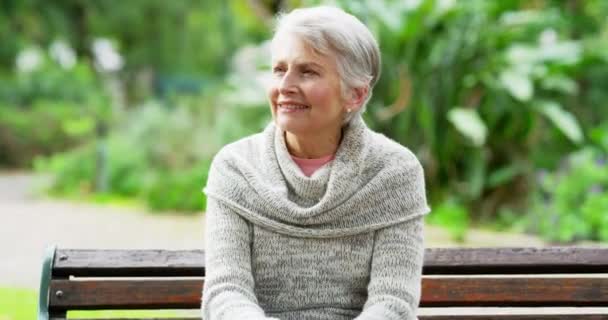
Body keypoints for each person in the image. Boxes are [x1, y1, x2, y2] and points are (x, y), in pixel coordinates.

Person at [201, 6, 430, 320]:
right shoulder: (235, 168)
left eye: (307, 71)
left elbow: (393, 303)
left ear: (356, 95)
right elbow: (227, 293)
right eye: (279, 70)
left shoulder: (395, 172)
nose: (285, 86)